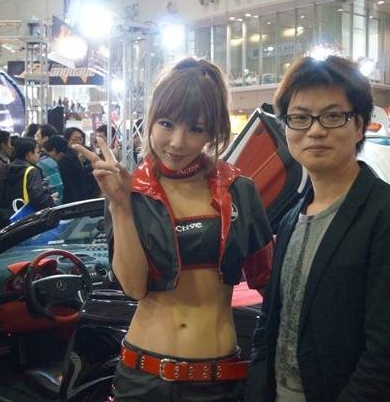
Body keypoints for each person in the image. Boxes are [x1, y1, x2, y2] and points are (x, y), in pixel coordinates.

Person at [73, 58, 273, 402]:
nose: (178, 142)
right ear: (151, 120)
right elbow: (134, 287)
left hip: (218, 380)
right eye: (166, 124)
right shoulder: (128, 191)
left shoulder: (240, 190)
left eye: (195, 129)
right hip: (143, 377)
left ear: (213, 132)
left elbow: (269, 282)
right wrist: (120, 205)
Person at [244, 55, 390, 402]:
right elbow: (268, 327)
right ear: (285, 128)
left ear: (359, 126)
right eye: (300, 117)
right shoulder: (291, 219)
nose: (315, 130)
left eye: (333, 116)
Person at [1, 137, 53, 215]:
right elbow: (37, 197)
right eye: (37, 152)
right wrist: (50, 200)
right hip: (29, 215)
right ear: (29, 154)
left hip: (12, 213)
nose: (39, 155)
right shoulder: (32, 171)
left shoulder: (9, 167)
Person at [35, 124, 63, 205]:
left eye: (37, 136)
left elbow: (57, 190)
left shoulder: (46, 162)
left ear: (45, 139)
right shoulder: (47, 160)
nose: (35, 139)